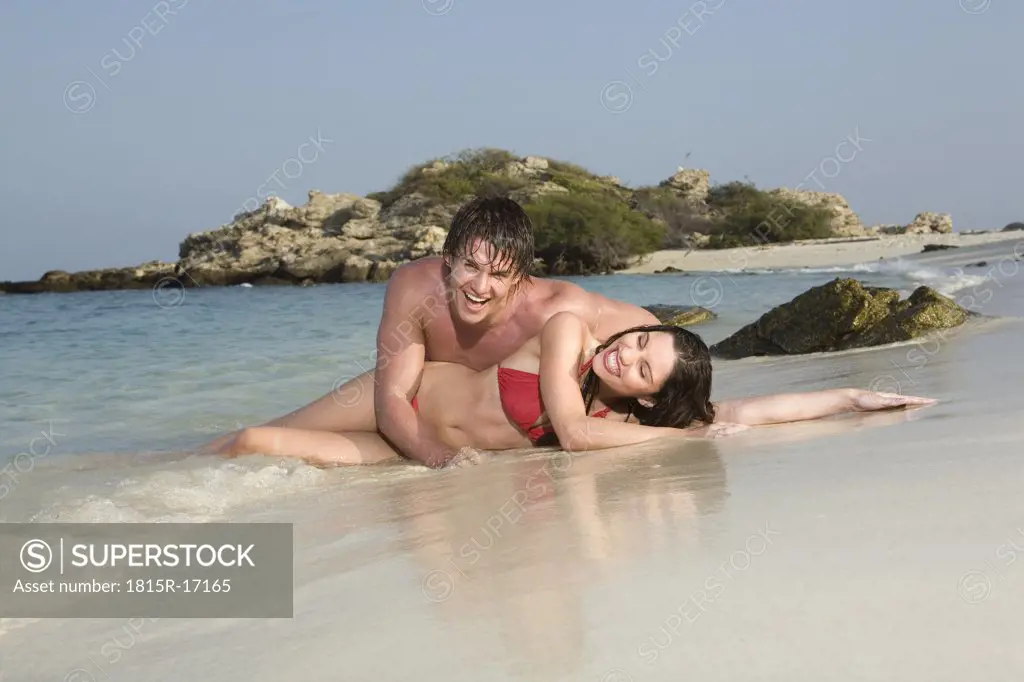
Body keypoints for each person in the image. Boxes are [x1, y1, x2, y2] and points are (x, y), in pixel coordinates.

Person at [219, 196, 663, 468]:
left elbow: (659, 343)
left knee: (287, 454)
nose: (479, 287)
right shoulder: (415, 286)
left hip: (430, 442)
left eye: (499, 275)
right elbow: (391, 398)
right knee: (250, 442)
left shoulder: (558, 309)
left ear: (522, 277)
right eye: (470, 266)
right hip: (396, 407)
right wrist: (438, 458)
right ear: (448, 257)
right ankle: (164, 465)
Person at [205, 311, 937, 467]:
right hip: (395, 398)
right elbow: (578, 435)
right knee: (245, 438)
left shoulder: (626, 413)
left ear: (650, 396)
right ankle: (152, 474)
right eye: (640, 342)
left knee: (263, 448)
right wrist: (677, 433)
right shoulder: (566, 334)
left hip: (413, 454)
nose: (628, 357)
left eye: (644, 368)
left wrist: (850, 398)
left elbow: (751, 412)